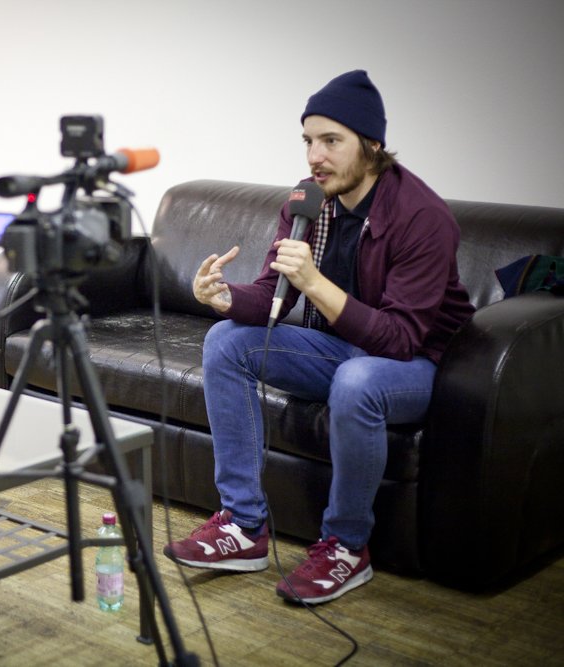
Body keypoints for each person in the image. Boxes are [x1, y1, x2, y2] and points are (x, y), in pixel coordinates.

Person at [164, 70, 475, 604]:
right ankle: (242, 526)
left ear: (372, 145)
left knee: (357, 381)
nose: (315, 156)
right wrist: (223, 297)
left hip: (422, 366)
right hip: (346, 351)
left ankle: (346, 548)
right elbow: (273, 295)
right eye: (308, 141)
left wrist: (316, 283)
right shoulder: (308, 202)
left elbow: (399, 339)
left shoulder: (423, 217)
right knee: (225, 342)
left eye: (331, 141)